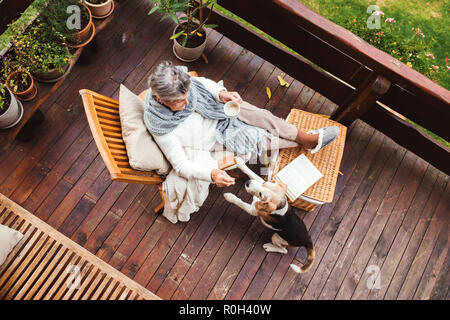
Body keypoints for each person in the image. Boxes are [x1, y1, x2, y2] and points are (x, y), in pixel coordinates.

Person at [143, 61, 339, 223]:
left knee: (260, 115)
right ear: (160, 99)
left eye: (187, 97)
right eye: (180, 102)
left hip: (217, 108)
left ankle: (306, 138)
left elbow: (201, 83)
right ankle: (302, 143)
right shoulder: (160, 125)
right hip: (212, 137)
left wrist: (221, 94)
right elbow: (180, 164)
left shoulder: (182, 82)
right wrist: (210, 174)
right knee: (256, 138)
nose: (188, 104)